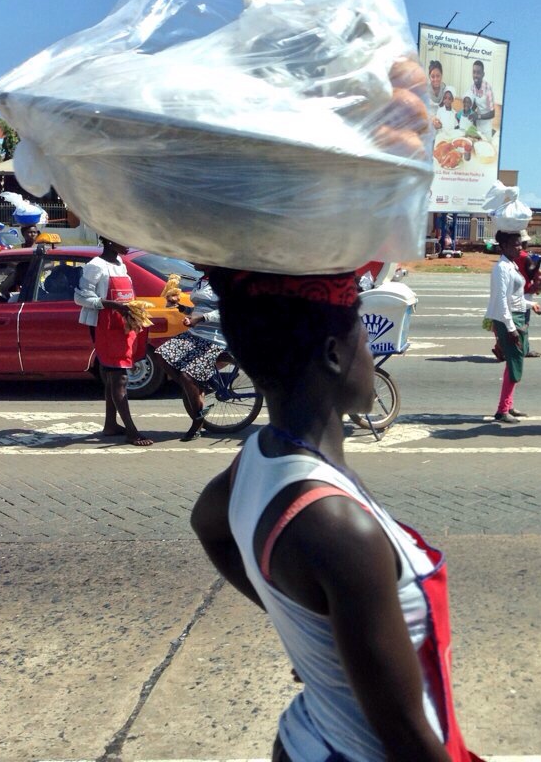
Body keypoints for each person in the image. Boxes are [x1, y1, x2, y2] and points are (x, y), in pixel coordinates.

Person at [190, 269, 481, 762]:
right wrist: (316, 637)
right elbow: (407, 738)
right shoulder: (338, 527)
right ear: (334, 354)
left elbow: (207, 525)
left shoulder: (258, 456)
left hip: (306, 739)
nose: (372, 358)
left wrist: (315, 639)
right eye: (365, 341)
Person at [74, 238, 152, 446]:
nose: (127, 243)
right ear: (108, 241)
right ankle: (132, 431)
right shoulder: (95, 266)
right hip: (105, 327)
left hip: (122, 326)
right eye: (121, 239)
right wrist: (111, 304)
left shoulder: (120, 263)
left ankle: (110, 424)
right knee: (120, 378)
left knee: (112, 378)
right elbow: (81, 297)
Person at [150, 266, 226, 441]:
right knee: (161, 354)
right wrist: (182, 308)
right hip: (195, 334)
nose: (193, 263)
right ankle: (196, 388)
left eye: (196, 259)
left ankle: (197, 421)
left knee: (187, 376)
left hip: (215, 338)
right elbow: (199, 309)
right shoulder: (201, 281)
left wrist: (199, 319)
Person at [485, 230, 529, 423]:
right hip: (508, 320)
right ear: (503, 247)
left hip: (515, 316)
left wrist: (531, 305)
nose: (518, 247)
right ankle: (502, 410)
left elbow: (515, 297)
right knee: (514, 362)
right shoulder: (502, 267)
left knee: (514, 362)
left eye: (520, 244)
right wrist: (511, 328)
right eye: (514, 244)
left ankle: (508, 404)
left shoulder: (511, 265)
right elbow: (502, 299)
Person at [515, 230, 541, 358]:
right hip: (525, 293)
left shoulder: (509, 256)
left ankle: (515, 348)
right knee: (524, 323)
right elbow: (532, 273)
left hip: (514, 292)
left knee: (515, 323)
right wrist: (539, 264)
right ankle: (524, 349)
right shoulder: (524, 256)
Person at [466, 60, 495, 137]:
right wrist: (468, 111)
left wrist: (478, 116)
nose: (475, 75)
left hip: (486, 127)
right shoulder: (472, 87)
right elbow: (475, 103)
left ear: (483, 74)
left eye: (478, 73)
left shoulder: (488, 88)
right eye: (474, 72)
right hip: (477, 126)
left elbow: (492, 113)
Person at [426, 59, 447, 127]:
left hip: (442, 123)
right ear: (429, 77)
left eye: (438, 76)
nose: (435, 79)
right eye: (432, 76)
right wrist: (432, 119)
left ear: (442, 75)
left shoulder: (445, 89)